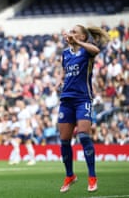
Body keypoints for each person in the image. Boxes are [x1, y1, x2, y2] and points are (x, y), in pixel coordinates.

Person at [58, 25, 109, 193]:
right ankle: (70, 175)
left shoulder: (87, 51)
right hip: (66, 100)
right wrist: (60, 82)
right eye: (70, 31)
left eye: (75, 32)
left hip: (82, 99)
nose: (71, 34)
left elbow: (96, 50)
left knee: (84, 136)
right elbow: (65, 71)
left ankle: (92, 176)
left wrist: (79, 42)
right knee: (65, 140)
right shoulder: (65, 54)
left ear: (83, 37)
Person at [8, 100, 36, 166]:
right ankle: (16, 159)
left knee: (28, 145)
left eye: (21, 103)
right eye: (19, 104)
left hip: (26, 131)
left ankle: (32, 160)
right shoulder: (20, 112)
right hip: (21, 131)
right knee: (15, 143)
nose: (19, 104)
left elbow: (28, 120)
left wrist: (26, 129)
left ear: (24, 105)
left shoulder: (26, 111)